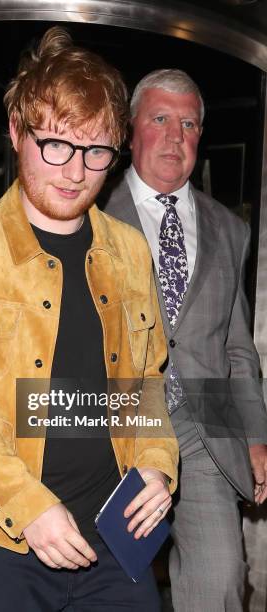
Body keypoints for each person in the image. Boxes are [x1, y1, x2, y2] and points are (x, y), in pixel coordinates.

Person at [0, 28, 178, 612]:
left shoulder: (131, 251)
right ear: (15, 132)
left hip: (119, 536)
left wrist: (157, 468)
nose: (75, 170)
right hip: (2, 539)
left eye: (96, 151)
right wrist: (29, 504)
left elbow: (148, 381)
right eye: (55, 144)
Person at [102, 68, 267, 612]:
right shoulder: (90, 213)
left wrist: (256, 436)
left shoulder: (230, 229)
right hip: (117, 422)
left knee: (222, 579)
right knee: (111, 585)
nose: (175, 136)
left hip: (206, 430)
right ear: (130, 132)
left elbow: (236, 346)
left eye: (189, 123)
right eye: (160, 119)